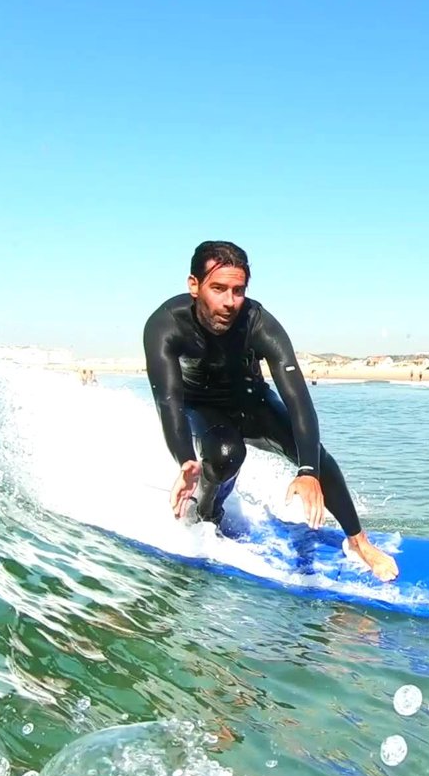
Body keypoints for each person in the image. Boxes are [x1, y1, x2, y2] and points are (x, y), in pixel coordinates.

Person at [142, 240, 399, 581]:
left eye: (238, 290)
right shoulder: (165, 325)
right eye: (218, 289)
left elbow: (298, 401)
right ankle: (206, 516)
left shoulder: (258, 323)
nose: (229, 302)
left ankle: (359, 542)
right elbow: (169, 400)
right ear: (194, 285)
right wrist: (184, 459)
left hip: (252, 400)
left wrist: (307, 470)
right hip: (201, 406)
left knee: (315, 456)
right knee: (224, 455)